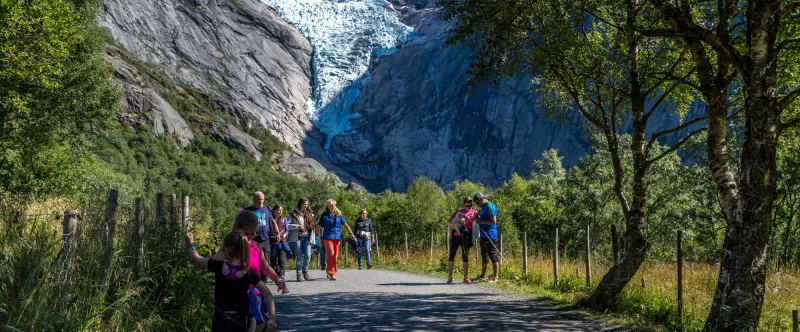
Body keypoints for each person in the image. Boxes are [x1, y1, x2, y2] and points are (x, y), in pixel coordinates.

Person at [186, 231, 277, 331]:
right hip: (240, 321)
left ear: (226, 250)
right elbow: (267, 294)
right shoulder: (249, 273)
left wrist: (190, 243)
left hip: (220, 320)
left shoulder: (217, 266)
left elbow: (195, 257)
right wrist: (271, 318)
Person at [215, 211, 288, 331]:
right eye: (246, 234)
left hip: (255, 296)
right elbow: (216, 265)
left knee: (256, 327)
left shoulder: (257, 247)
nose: (249, 237)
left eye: (253, 234)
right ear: (238, 230)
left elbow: (265, 267)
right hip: (235, 298)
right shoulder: (229, 248)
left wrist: (278, 279)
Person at [315, 199, 354, 280]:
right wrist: (319, 240)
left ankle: (328, 269)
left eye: (333, 205)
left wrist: (351, 234)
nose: (331, 206)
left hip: (337, 237)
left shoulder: (339, 215)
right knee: (331, 254)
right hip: (327, 237)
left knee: (335, 256)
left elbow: (346, 225)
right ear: (327, 206)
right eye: (330, 205)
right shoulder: (324, 215)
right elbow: (320, 228)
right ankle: (332, 273)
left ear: (335, 205)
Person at [242, 192, 279, 267]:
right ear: (254, 199)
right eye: (259, 199)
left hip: (265, 238)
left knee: (266, 260)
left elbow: (273, 222)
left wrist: (277, 233)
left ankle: (263, 274)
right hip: (252, 239)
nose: (261, 201)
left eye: (262, 199)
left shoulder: (268, 209)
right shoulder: (247, 210)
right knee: (252, 259)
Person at [446, 197, 477, 284]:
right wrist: (453, 225)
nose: (469, 207)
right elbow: (449, 221)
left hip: (466, 235)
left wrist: (474, 220)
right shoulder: (459, 211)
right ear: (464, 204)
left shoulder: (474, 212)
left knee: (465, 256)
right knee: (452, 254)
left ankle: (465, 277)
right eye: (467, 206)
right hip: (456, 234)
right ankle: (450, 277)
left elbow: (477, 223)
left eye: (470, 205)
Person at [473, 193, 499, 282]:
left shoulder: (490, 206)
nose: (477, 205)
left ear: (482, 199)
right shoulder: (483, 208)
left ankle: (496, 277)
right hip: (483, 235)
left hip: (490, 235)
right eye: (476, 203)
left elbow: (493, 221)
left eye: (478, 203)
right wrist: (477, 217)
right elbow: (481, 219)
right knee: (484, 257)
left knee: (493, 256)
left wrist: (480, 221)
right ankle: (482, 276)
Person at [287, 198, 315, 282]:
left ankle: (305, 270)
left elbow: (312, 228)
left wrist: (312, 239)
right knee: (299, 256)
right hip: (297, 237)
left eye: (307, 204)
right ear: (300, 204)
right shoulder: (293, 214)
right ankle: (299, 273)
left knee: (308, 256)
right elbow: (287, 225)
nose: (305, 206)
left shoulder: (310, 214)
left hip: (307, 237)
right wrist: (297, 226)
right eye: (304, 204)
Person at [270, 204, 292, 279]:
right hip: (273, 242)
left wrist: (285, 235)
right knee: (272, 259)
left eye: (281, 210)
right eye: (279, 210)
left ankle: (282, 274)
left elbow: (287, 230)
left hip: (282, 242)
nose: (280, 212)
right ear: (274, 210)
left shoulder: (284, 219)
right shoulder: (271, 219)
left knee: (282, 258)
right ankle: (274, 273)